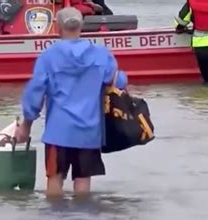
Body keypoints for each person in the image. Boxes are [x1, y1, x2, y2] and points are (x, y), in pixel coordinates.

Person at [14, 7, 128, 197]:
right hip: (89, 132)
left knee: (55, 178)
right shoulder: (101, 54)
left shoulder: (48, 57)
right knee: (83, 182)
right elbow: (120, 81)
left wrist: (26, 127)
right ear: (81, 26)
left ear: (57, 27)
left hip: (58, 133)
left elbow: (35, 94)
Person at [175, 0, 208, 85]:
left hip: (201, 46)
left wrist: (179, 28)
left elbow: (181, 21)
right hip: (202, 46)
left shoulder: (192, 2)